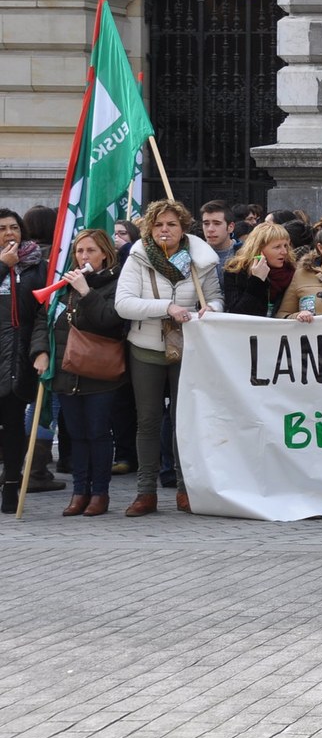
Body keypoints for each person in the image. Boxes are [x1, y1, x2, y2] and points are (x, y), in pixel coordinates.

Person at [114, 199, 223, 516]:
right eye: (159, 224)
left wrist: (211, 310)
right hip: (146, 347)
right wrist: (166, 308)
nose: (165, 229)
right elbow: (124, 304)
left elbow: (216, 297)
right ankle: (145, 492)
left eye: (171, 224)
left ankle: (185, 490)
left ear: (183, 228)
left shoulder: (201, 260)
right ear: (150, 228)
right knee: (147, 421)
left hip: (187, 347)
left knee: (183, 422)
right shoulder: (137, 258)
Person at [29, 229, 125, 516]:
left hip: (99, 372)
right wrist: (40, 351)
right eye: (80, 251)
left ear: (105, 254)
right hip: (64, 371)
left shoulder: (114, 284)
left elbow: (109, 321)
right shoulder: (64, 284)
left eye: (91, 251)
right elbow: (42, 320)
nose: (84, 256)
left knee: (97, 432)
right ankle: (79, 491)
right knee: (76, 434)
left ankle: (100, 493)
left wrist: (86, 291)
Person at [0, 208, 46, 513]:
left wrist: (39, 350)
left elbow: (43, 309)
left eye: (14, 227)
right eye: (2, 228)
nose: (9, 233)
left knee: (14, 423)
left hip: (18, 354)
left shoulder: (37, 265)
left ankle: (12, 484)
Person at [221, 221, 294, 317]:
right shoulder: (236, 271)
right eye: (277, 247)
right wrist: (257, 280)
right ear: (259, 249)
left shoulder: (292, 270)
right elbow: (236, 314)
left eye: (285, 246)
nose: (284, 252)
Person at [199, 199, 237, 268]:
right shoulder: (193, 255)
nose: (210, 229)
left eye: (217, 223)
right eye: (206, 223)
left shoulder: (244, 255)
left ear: (230, 227)